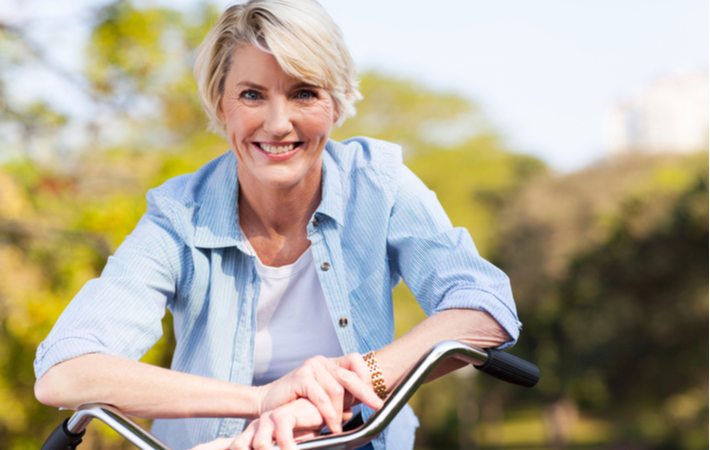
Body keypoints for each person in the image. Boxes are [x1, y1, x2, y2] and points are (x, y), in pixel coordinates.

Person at [33, 1, 521, 449]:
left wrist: (348, 386)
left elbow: (484, 306)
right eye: (252, 94)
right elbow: (63, 371)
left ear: (339, 99)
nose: (278, 122)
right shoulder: (179, 214)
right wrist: (266, 400)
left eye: (304, 93)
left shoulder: (379, 183)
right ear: (221, 105)